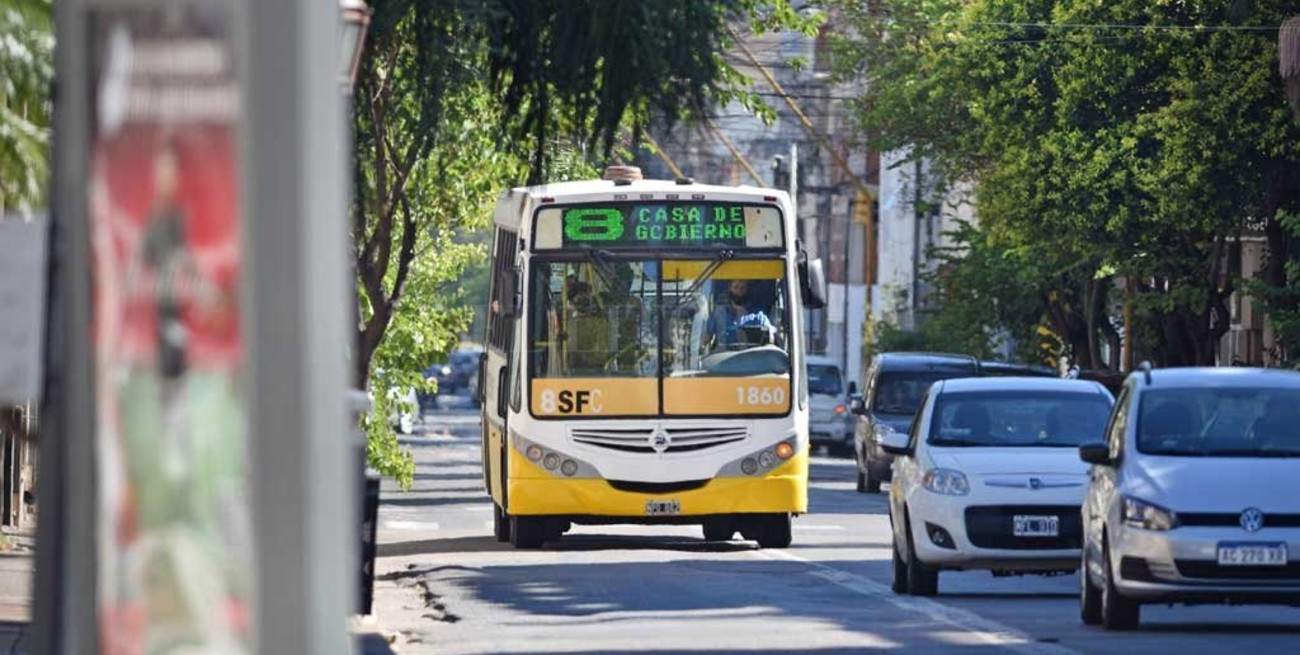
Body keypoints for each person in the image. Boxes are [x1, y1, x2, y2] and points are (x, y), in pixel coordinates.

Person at [703, 279, 774, 352]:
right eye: (736, 287)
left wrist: (769, 340)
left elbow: (770, 337)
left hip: (751, 359)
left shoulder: (758, 316)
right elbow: (705, 338)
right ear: (730, 288)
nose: (739, 292)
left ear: (747, 289)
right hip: (723, 360)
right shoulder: (718, 314)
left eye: (742, 288)